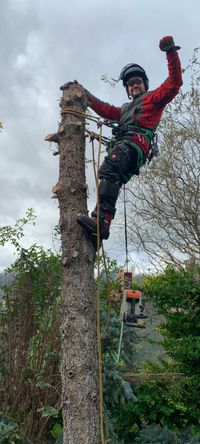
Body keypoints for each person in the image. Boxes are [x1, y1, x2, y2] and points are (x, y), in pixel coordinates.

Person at [76, 36, 183, 246]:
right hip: (126, 148)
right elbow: (105, 109)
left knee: (111, 166)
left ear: (144, 85)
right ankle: (98, 228)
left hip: (135, 146)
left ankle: (101, 223)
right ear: (127, 89)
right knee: (109, 174)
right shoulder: (124, 109)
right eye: (130, 84)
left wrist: (170, 52)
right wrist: (83, 93)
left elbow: (174, 83)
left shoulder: (154, 99)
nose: (134, 85)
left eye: (138, 82)